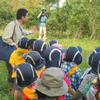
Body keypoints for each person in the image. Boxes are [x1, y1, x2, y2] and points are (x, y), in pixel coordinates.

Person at [2, 8, 36, 90]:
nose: (27, 17)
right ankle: (11, 88)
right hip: (10, 50)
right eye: (27, 16)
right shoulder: (11, 25)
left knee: (15, 68)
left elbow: (22, 32)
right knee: (12, 70)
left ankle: (15, 87)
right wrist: (14, 44)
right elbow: (5, 38)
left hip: (15, 50)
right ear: (22, 17)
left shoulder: (19, 25)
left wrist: (30, 32)